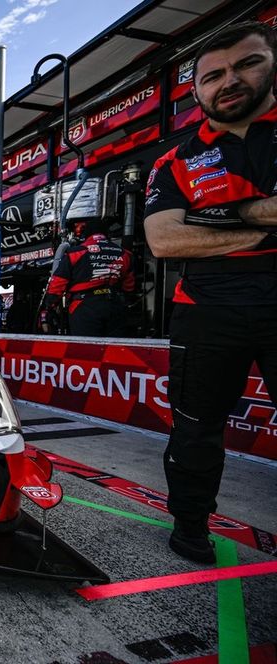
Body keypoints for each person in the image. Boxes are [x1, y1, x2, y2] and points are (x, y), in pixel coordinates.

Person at [143, 21, 277, 564]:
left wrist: (216, 219)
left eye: (247, 64)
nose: (229, 81)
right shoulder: (173, 161)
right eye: (212, 75)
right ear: (196, 91)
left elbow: (188, 231)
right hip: (207, 311)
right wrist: (263, 220)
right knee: (196, 429)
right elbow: (164, 239)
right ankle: (190, 526)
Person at [43, 220, 136, 337]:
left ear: (86, 234)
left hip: (84, 306)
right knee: (114, 350)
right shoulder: (125, 254)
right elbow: (129, 287)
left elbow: (58, 283)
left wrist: (50, 306)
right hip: (115, 305)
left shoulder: (76, 252)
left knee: (85, 351)